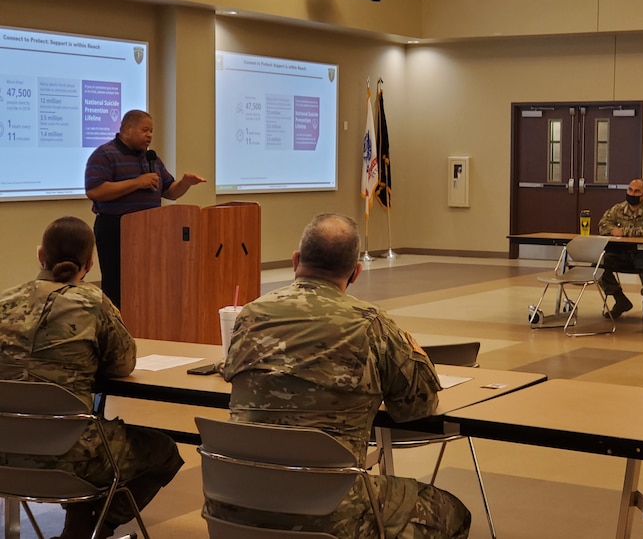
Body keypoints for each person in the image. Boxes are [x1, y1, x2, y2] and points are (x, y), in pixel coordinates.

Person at [216, 213, 471, 539]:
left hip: (237, 498)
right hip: (332, 514)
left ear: (295, 261)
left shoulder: (249, 315)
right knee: (452, 512)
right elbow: (417, 407)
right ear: (356, 273)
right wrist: (416, 354)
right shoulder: (371, 323)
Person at [0, 216, 183, 539]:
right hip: (71, 458)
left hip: (4, 452)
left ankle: (78, 528)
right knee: (162, 450)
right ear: (91, 262)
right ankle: (96, 530)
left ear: (40, 254)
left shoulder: (4, 302)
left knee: (84, 428)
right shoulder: (94, 303)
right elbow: (122, 365)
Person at [85, 109, 206, 308]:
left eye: (151, 131)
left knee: (150, 282)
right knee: (118, 284)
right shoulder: (104, 155)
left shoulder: (151, 158)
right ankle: (117, 324)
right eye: (145, 130)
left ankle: (146, 322)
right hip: (116, 229)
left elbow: (170, 192)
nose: (149, 135)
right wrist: (137, 182)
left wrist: (185, 183)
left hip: (152, 229)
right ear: (127, 129)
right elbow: (95, 190)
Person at [598, 178, 643, 322]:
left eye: (637, 191)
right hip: (621, 253)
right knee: (598, 265)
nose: (632, 193)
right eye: (630, 190)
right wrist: (612, 231)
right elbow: (603, 225)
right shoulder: (617, 209)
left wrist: (624, 231)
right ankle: (620, 300)